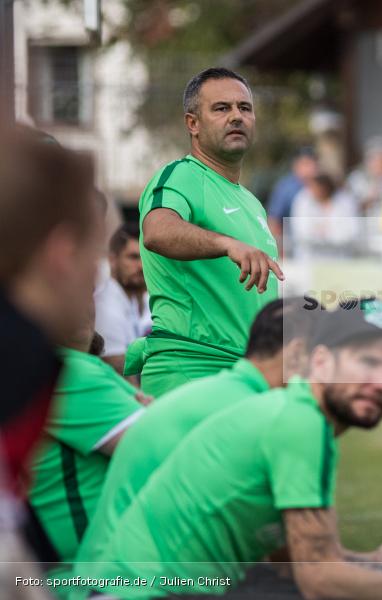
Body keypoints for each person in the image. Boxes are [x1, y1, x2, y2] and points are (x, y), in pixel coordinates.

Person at [74, 298, 382, 600]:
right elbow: (320, 580)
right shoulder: (300, 424)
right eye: (366, 362)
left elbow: (298, 554)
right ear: (318, 362)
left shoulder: (297, 417)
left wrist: (376, 563)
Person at [75, 296, 321, 564]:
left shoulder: (223, 393)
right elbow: (306, 568)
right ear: (297, 354)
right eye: (322, 359)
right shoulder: (258, 412)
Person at [135, 67, 284, 398]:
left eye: (244, 108)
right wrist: (226, 244)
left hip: (243, 376)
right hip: (190, 370)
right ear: (193, 124)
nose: (236, 116)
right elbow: (156, 231)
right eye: (221, 108)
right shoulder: (180, 175)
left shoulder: (252, 203)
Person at [0, 127, 104, 597]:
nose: (96, 278)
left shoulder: (30, 357)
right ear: (63, 253)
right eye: (96, 254)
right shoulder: (17, 363)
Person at [27, 298, 146, 564]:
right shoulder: (69, 371)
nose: (82, 303)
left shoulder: (84, 368)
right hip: (92, 578)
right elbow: (163, 450)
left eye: (90, 291)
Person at [94, 222, 152, 376]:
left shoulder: (136, 298)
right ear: (112, 260)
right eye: (133, 257)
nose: (141, 266)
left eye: (146, 257)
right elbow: (126, 379)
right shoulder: (106, 308)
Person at [288, 173, 361, 256]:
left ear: (326, 188)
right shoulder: (303, 200)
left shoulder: (345, 202)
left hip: (339, 257)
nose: (314, 191)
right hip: (310, 257)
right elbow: (301, 231)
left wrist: (327, 235)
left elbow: (351, 232)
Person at [267, 147, 319, 254]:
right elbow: (274, 222)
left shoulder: (322, 184)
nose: (310, 169)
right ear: (296, 166)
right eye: (305, 164)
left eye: (312, 164)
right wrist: (280, 252)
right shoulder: (286, 188)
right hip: (293, 249)